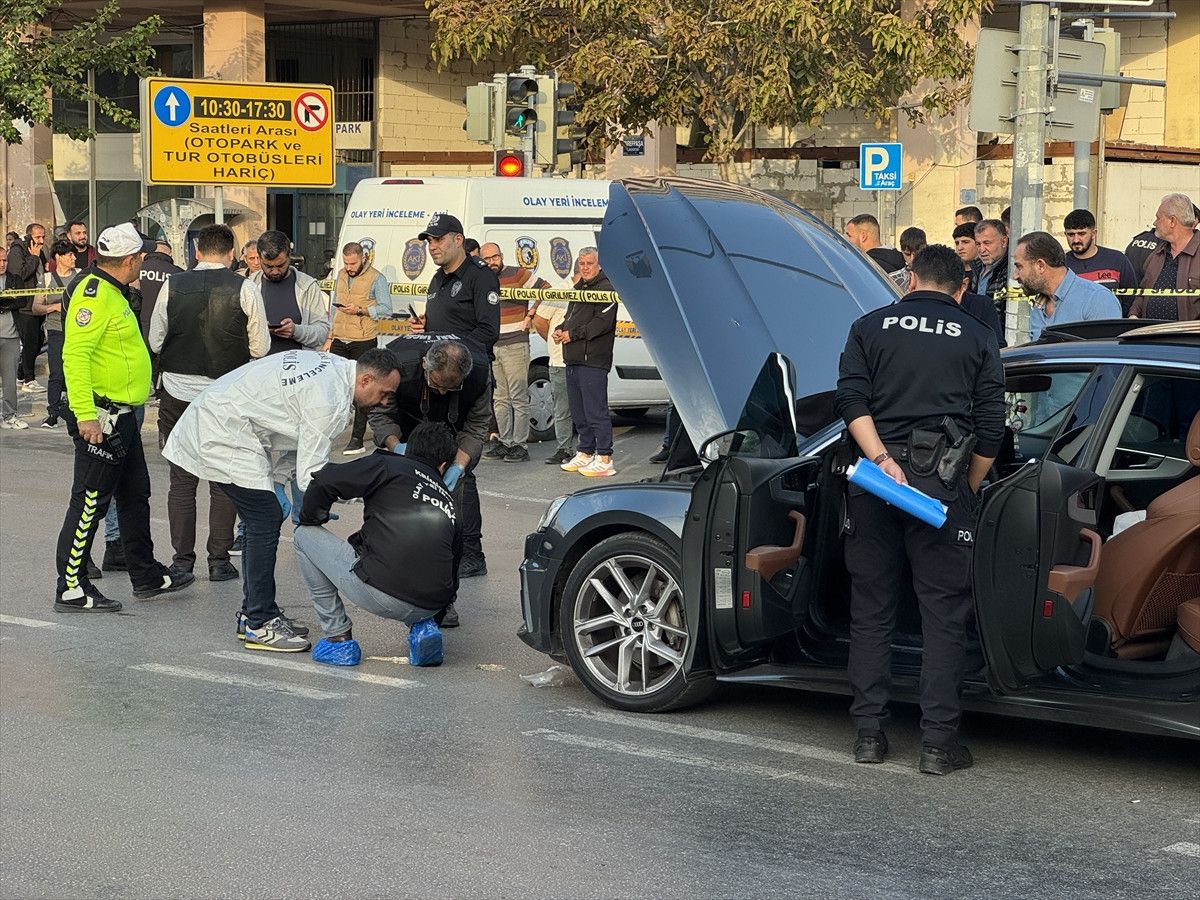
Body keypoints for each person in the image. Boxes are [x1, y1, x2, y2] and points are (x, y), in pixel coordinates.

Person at [835, 243, 1005, 775]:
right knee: (943, 616)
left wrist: (883, 461)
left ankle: (868, 735)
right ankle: (937, 744)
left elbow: (850, 401)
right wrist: (966, 487)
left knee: (871, 611)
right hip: (940, 487)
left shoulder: (869, 326)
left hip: (874, 483)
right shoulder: (977, 334)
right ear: (962, 288)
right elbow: (992, 426)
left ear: (911, 279)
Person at [162, 348, 401, 652]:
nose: (384, 402)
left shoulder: (336, 371)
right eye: (384, 393)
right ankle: (259, 622)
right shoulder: (328, 398)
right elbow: (312, 475)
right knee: (264, 519)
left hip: (227, 421)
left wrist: (276, 480)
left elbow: (296, 441)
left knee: (261, 519)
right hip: (223, 429)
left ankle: (254, 613)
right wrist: (350, 496)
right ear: (366, 380)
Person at [53, 223, 195, 612]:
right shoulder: (94, 294)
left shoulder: (114, 290)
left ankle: (145, 574)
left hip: (123, 415)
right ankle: (71, 586)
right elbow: (74, 357)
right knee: (90, 501)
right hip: (102, 416)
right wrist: (86, 416)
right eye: (141, 256)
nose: (144, 261)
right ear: (130, 260)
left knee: (135, 494)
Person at [149, 223, 270, 582]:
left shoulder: (172, 285)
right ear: (232, 254)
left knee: (181, 481)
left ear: (197, 252)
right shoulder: (245, 287)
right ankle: (218, 560)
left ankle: (181, 562)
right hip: (225, 394)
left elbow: (155, 341)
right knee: (222, 479)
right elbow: (260, 348)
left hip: (177, 393)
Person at [295, 421, 461, 667]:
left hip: (382, 592)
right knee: (422, 558)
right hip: (432, 606)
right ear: (443, 465)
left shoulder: (388, 465)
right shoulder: (450, 501)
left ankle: (338, 639)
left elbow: (324, 480)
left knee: (303, 536)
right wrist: (435, 613)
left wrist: (313, 517)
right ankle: (424, 628)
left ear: (408, 448)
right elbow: (453, 571)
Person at [369, 335, 492, 622]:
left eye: (452, 387)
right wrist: (397, 448)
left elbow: (477, 426)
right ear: (425, 365)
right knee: (404, 521)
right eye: (437, 386)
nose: (443, 393)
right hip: (404, 434)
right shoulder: (398, 365)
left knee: (447, 526)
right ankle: (401, 589)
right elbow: (380, 413)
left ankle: (444, 601)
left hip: (451, 440)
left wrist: (458, 466)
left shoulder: (479, 373)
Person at [480, 241, 549, 463]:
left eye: (495, 257)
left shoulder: (518, 274)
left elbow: (545, 288)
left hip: (516, 343)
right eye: (487, 259)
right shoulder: (482, 278)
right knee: (500, 398)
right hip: (493, 345)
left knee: (518, 398)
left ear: (501, 255)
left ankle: (520, 445)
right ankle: (505, 441)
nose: (492, 262)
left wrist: (530, 314)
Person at [557, 248, 618, 478]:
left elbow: (600, 324)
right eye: (581, 263)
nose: (585, 267)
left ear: (599, 265)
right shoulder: (578, 288)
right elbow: (569, 319)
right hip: (573, 359)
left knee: (596, 411)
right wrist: (560, 330)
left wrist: (572, 335)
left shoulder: (607, 289)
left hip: (593, 360)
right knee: (579, 412)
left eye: (589, 263)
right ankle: (585, 451)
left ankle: (604, 457)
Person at [410, 213, 500, 359]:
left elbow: (488, 331)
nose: (432, 247)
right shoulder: (437, 278)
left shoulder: (481, 275)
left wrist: (452, 354)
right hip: (438, 366)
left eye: (439, 239)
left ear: (458, 240)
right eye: (430, 241)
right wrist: (424, 327)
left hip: (468, 367)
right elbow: (450, 321)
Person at [330, 240, 391, 454]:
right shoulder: (341, 274)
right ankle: (330, 432)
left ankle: (357, 438)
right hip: (339, 339)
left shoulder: (377, 278)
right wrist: (329, 335)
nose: (349, 267)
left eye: (353, 263)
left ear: (363, 258)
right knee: (335, 388)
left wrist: (361, 310)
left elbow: (386, 309)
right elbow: (334, 308)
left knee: (362, 391)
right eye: (346, 263)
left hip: (363, 340)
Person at [1013, 232, 1122, 341]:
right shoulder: (1039, 305)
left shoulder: (1098, 299)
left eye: (1019, 267)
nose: (1015, 275)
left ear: (1040, 266)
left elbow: (1105, 350)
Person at [249, 230, 331, 355]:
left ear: (289, 257)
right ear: (259, 259)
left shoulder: (308, 286)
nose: (275, 271)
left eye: (280, 265)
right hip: (261, 364)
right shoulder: (249, 286)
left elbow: (323, 332)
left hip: (301, 364)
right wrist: (259, 330)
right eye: (268, 266)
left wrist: (296, 331)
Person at [31, 240, 79, 428]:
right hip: (56, 330)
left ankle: (75, 408)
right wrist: (54, 307)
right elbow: (36, 307)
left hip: (77, 330)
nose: (74, 258)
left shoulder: (80, 276)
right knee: (56, 372)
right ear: (58, 257)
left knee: (77, 371)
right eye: (70, 254)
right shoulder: (47, 279)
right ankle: (53, 412)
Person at [1130, 193, 1200, 322]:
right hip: (1149, 333)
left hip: (1188, 335)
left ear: (1172, 221)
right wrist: (1133, 314)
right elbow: (1143, 292)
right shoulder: (1157, 253)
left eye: (1158, 218)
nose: (1154, 223)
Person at [532, 294, 576, 466]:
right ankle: (565, 449)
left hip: (580, 361)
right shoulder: (559, 291)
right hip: (560, 361)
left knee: (582, 409)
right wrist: (553, 343)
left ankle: (586, 450)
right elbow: (539, 321)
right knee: (562, 409)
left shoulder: (593, 289)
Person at [1062, 209, 1138, 298]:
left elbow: (1132, 297)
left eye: (1081, 234)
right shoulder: (1061, 265)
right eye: (1071, 235)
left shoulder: (1117, 260)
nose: (1076, 240)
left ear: (1094, 234)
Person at [8, 223, 47, 393]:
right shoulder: (17, 250)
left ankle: (21, 374)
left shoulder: (38, 250)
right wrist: (34, 258)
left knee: (38, 341)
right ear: (29, 236)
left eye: (43, 237)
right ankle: (29, 380)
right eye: (38, 237)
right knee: (30, 343)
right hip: (24, 305)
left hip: (39, 302)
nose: (41, 241)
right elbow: (20, 275)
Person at [0, 246, 27, 429]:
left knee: (10, 380)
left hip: (11, 336)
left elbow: (22, 300)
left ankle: (9, 415)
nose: (2, 264)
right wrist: (9, 300)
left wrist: (5, 303)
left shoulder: (15, 279)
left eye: (5, 260)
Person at [138, 239, 182, 350]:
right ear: (170, 253)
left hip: (137, 331)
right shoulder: (178, 274)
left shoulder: (136, 269)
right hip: (166, 336)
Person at [973, 219, 1009, 320]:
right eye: (978, 244)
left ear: (1004, 242)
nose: (982, 249)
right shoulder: (976, 267)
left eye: (987, 243)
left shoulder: (1011, 271)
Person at [953, 222, 983, 292]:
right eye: (957, 243)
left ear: (978, 243)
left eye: (965, 242)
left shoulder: (986, 270)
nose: (960, 248)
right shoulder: (952, 270)